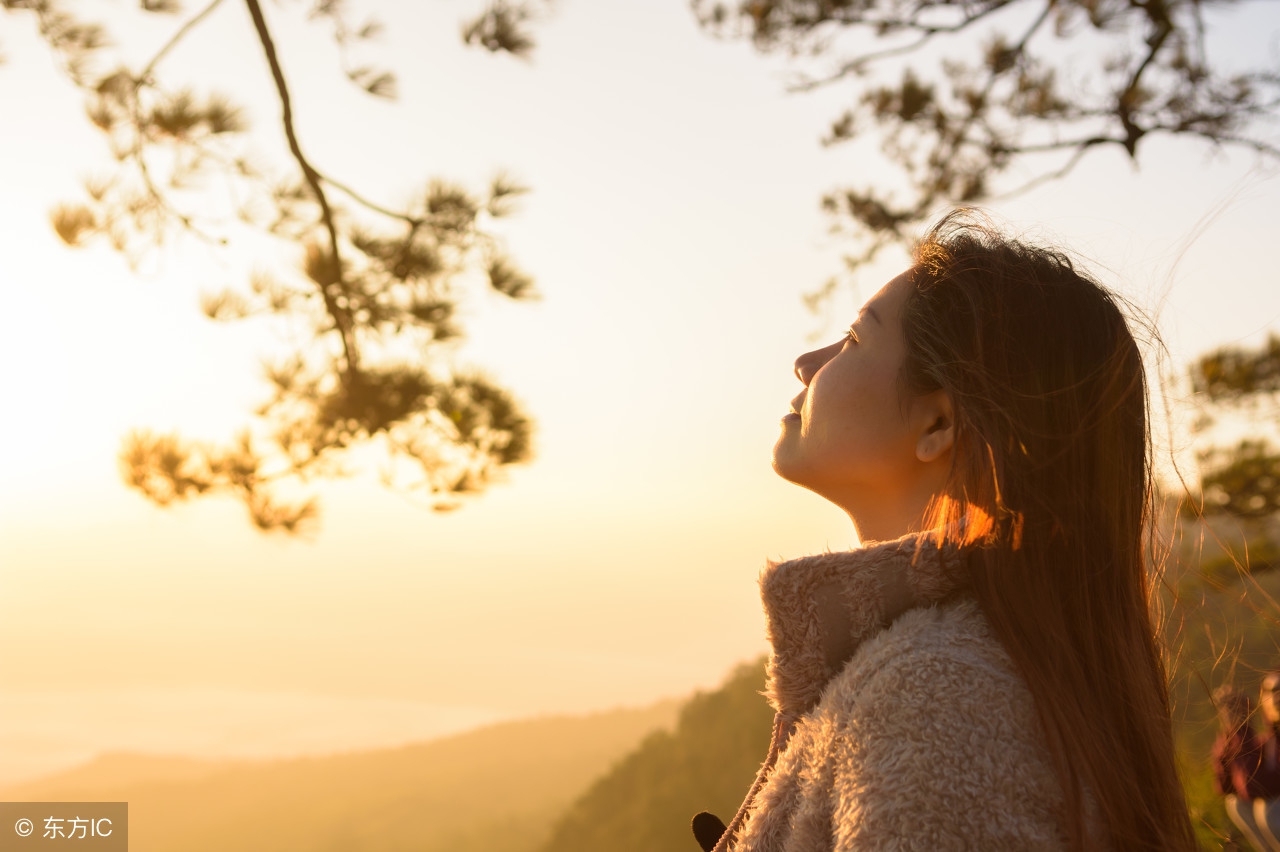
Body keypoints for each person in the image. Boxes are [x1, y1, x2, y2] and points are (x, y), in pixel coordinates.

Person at [692, 211, 1197, 851]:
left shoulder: (934, 700)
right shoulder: (946, 675)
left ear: (938, 425)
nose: (804, 362)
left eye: (852, 340)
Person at [1213, 686, 1272, 850]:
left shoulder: (1252, 741)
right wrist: (1232, 733)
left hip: (1268, 800)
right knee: (1235, 803)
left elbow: (1251, 785)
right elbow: (1225, 786)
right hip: (1257, 796)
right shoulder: (1239, 740)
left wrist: (1238, 728)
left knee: (1267, 812)